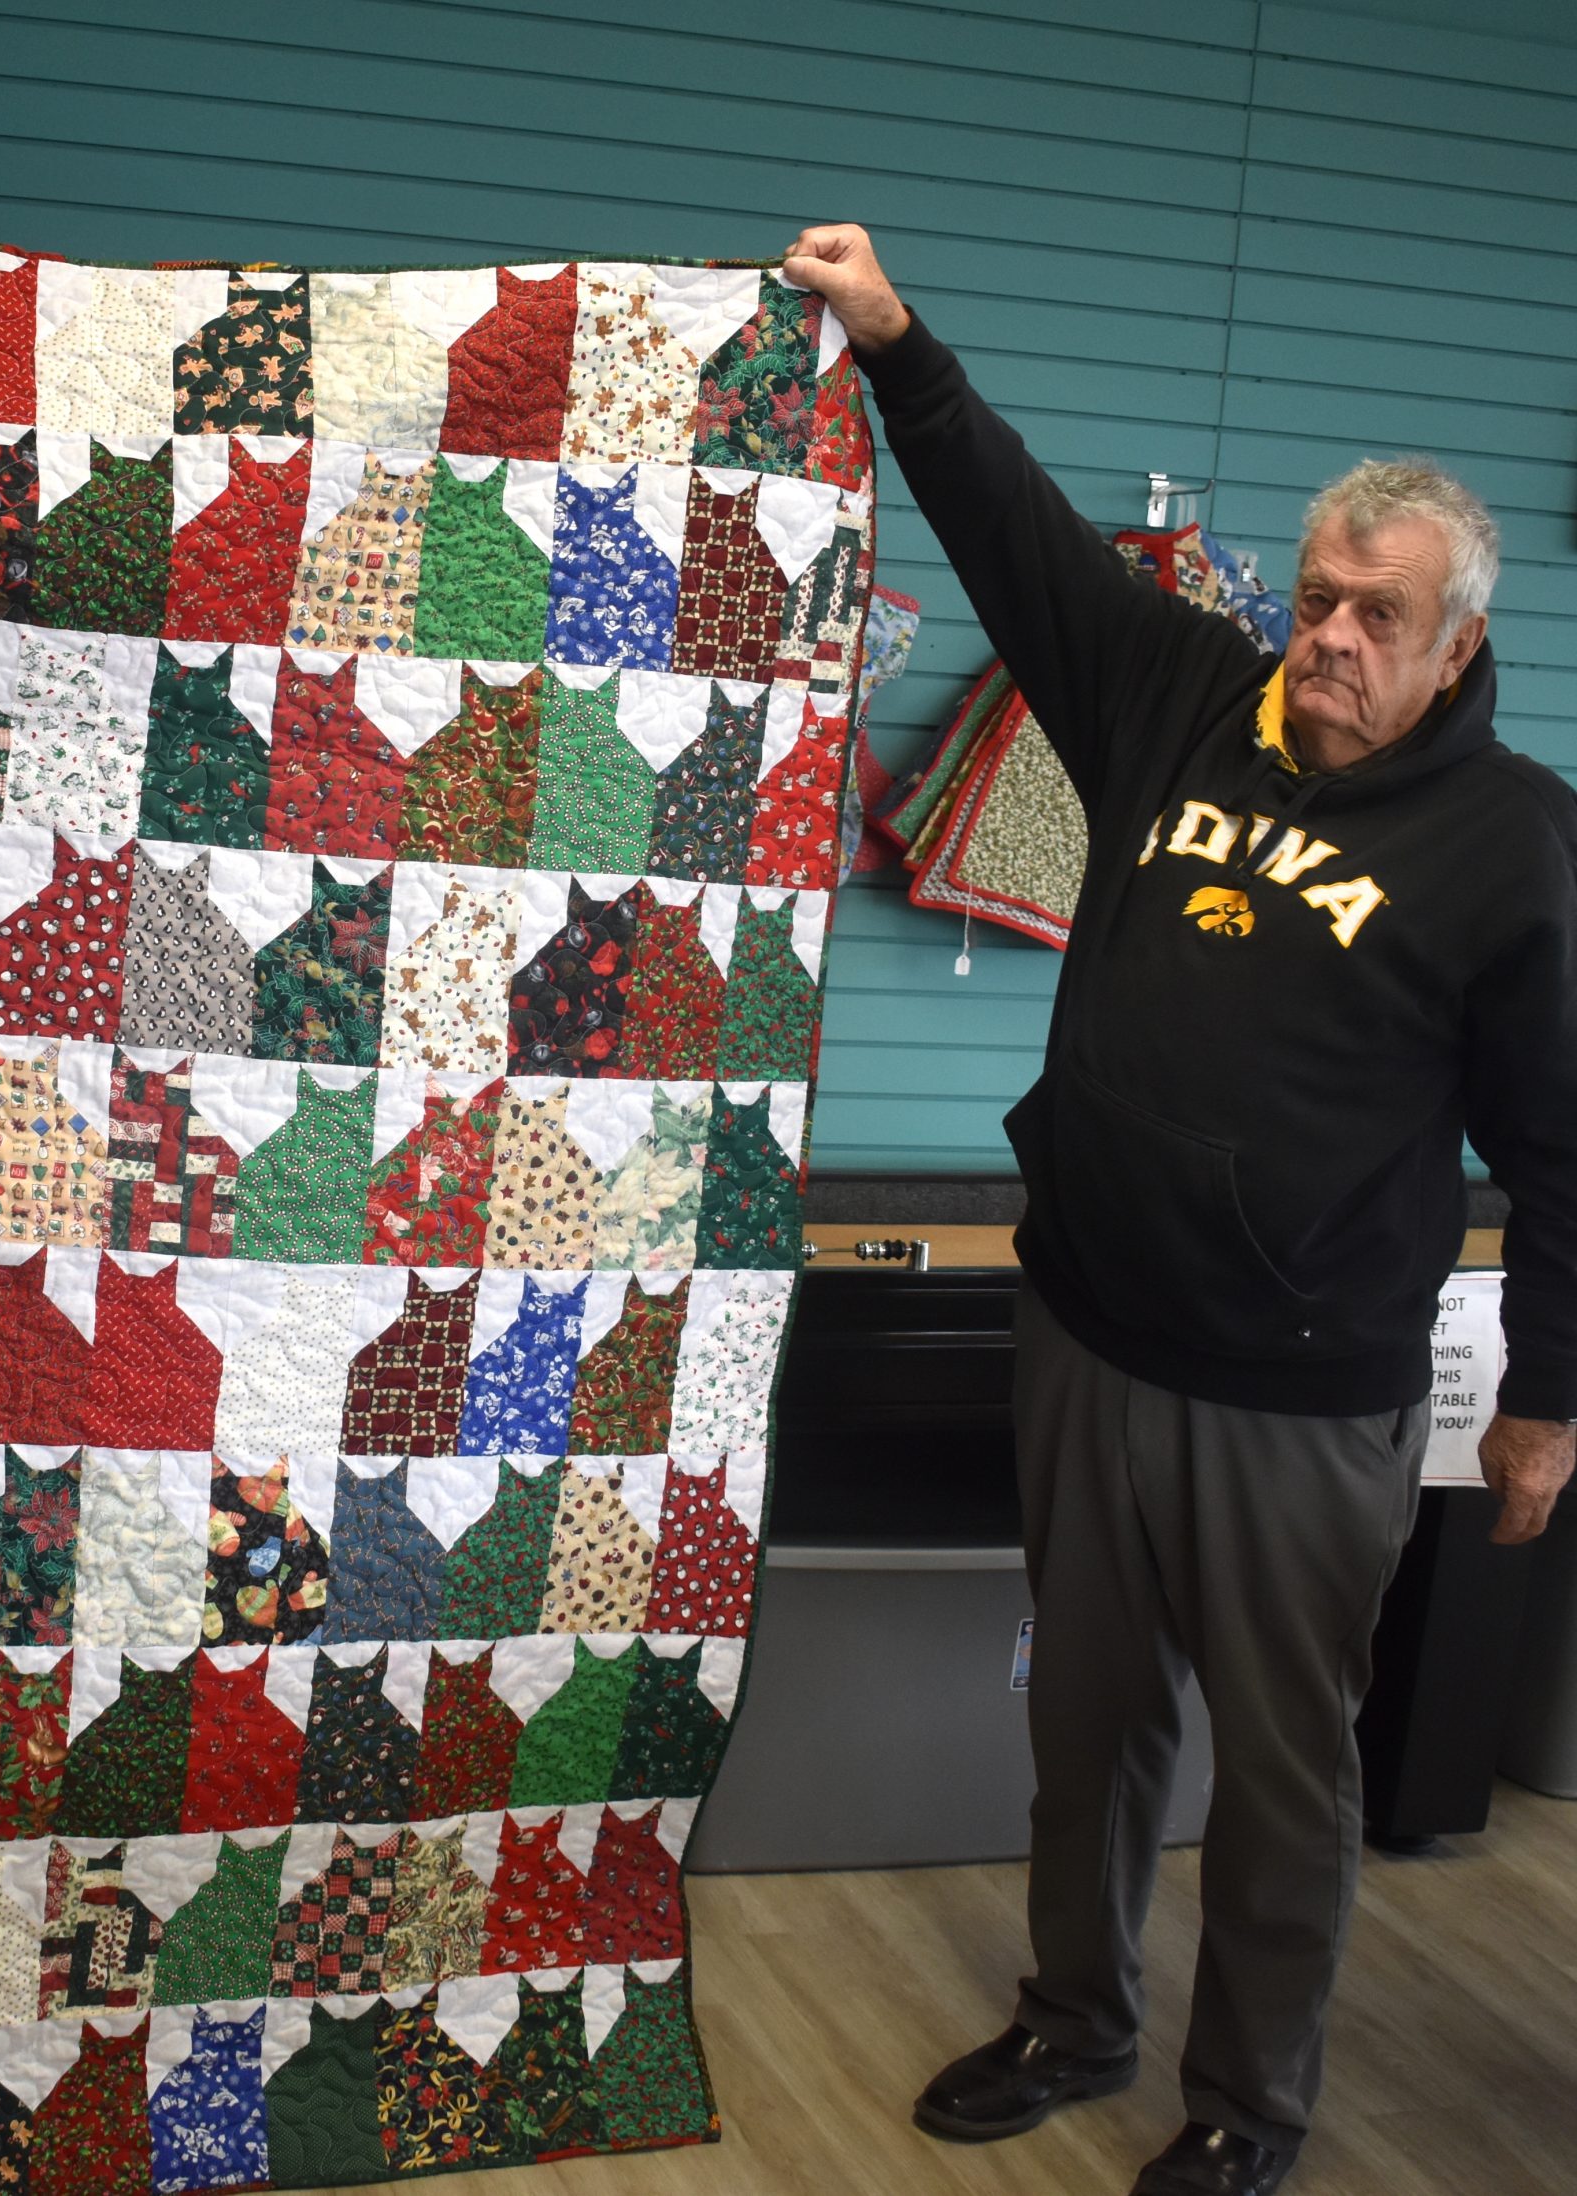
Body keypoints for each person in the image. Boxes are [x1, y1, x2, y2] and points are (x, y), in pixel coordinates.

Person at [784, 225, 1577, 2196]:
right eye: (1316, 599)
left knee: (1286, 1774)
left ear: (1455, 648)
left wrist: (1545, 1400)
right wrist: (892, 340)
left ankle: (1245, 2106)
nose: (1330, 638)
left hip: (1297, 1395)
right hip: (1087, 1333)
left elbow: (1566, 1152)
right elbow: (1018, 535)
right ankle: (1074, 2018)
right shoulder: (1176, 700)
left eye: (1379, 616)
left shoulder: (1515, 851)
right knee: (1087, 1724)